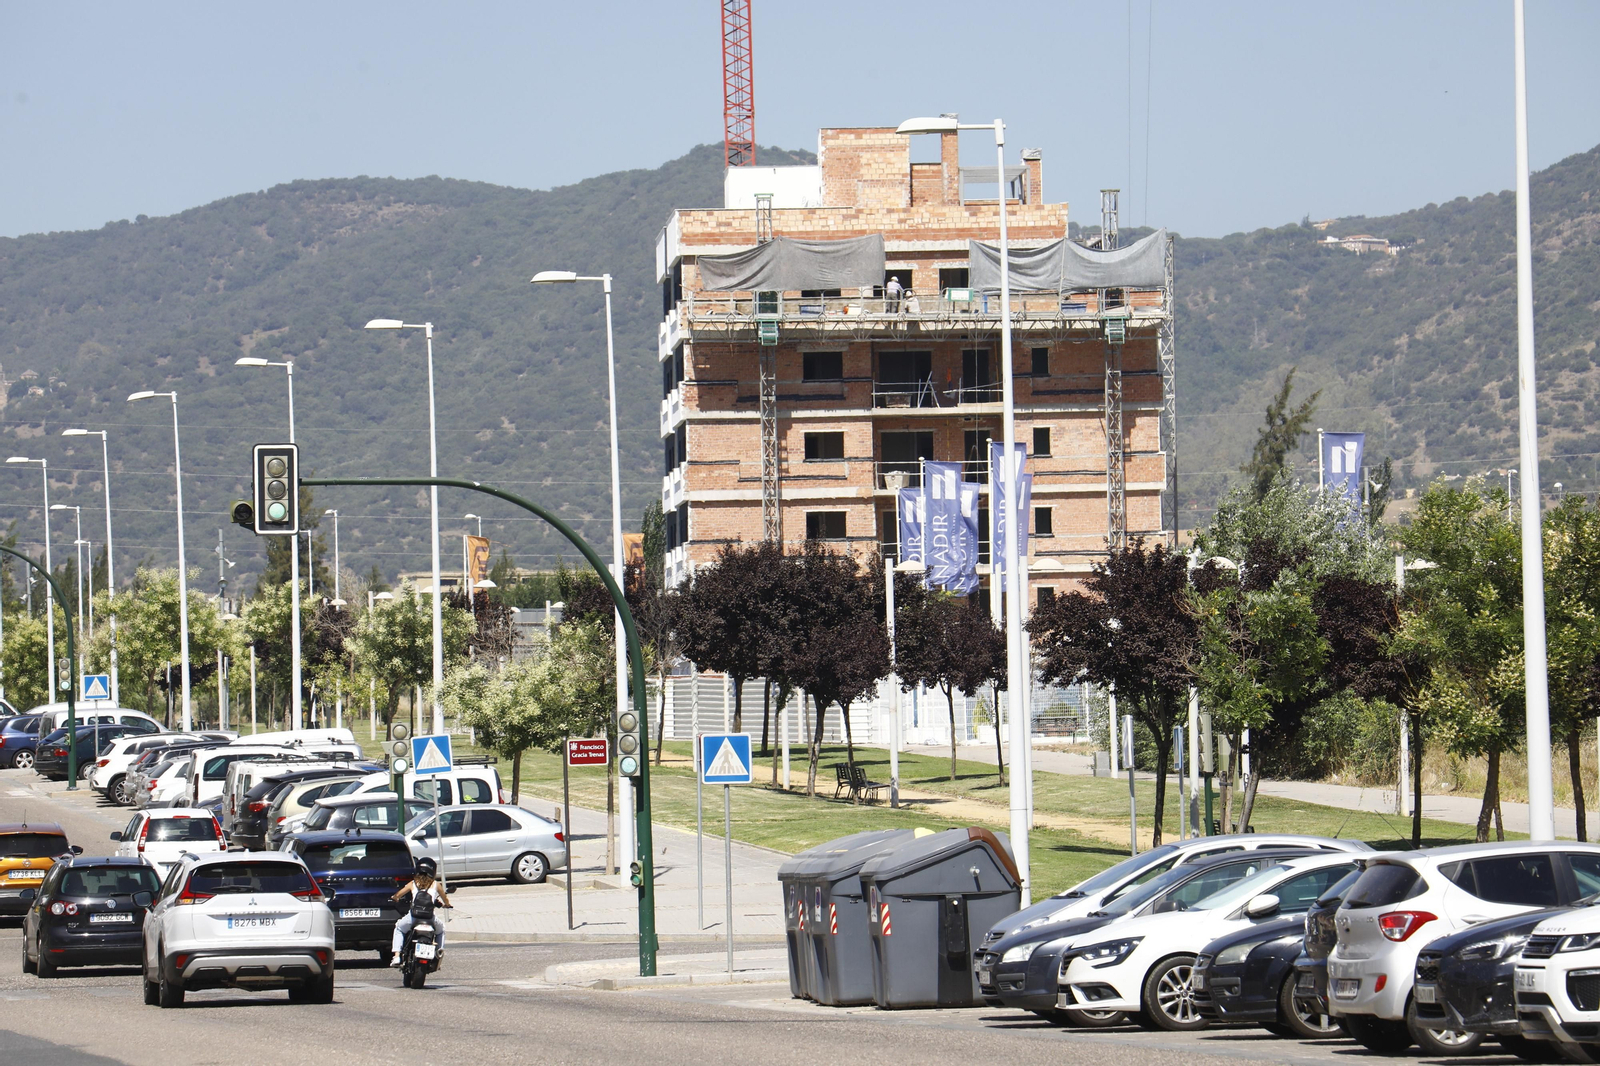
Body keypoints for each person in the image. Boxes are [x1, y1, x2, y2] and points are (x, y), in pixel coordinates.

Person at [389, 856, 452, 965]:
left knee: (399, 928)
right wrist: (447, 905)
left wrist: (394, 898)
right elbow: (445, 899)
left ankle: (397, 956)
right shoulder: (436, 884)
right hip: (430, 918)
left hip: (413, 917)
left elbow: (398, 894)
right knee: (441, 930)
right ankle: (439, 952)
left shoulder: (413, 883)